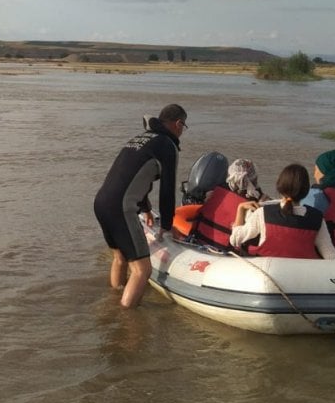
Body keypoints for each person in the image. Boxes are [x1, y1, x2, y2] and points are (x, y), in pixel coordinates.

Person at [94, 104, 187, 308]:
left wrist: (145, 209)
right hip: (121, 208)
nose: (182, 132)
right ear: (178, 124)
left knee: (120, 258)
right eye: (183, 127)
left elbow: (132, 176)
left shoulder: (140, 139)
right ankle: (126, 321)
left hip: (101, 203)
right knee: (142, 270)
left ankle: (114, 301)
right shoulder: (168, 145)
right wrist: (167, 225)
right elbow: (167, 188)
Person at [229, 163, 335, 260]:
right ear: (305, 191)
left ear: (279, 186)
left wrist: (240, 209)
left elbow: (235, 239)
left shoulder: (262, 213)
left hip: (268, 271)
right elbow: (331, 256)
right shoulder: (317, 219)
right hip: (302, 277)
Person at [190, 158, 265, 251]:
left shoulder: (213, 192)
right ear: (254, 178)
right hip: (226, 251)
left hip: (199, 241)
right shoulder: (257, 202)